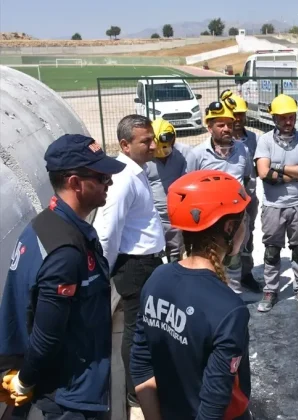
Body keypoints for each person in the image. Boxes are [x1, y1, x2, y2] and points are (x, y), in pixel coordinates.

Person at [0, 134, 125, 419]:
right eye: (102, 177)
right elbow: (46, 335)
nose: (110, 182)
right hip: (71, 398)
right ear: (75, 183)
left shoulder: (44, 225)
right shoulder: (65, 251)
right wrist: (24, 381)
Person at [130, 169, 252, 420]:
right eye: (244, 221)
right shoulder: (230, 309)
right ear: (230, 227)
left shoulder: (157, 278)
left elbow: (141, 364)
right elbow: (214, 403)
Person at [93, 115, 166, 409]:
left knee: (144, 327)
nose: (152, 145)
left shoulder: (138, 171)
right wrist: (104, 273)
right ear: (125, 145)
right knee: (136, 330)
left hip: (146, 262)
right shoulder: (123, 180)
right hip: (135, 266)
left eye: (152, 138)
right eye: (145, 141)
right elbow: (108, 233)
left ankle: (144, 383)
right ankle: (137, 393)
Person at [187, 98, 262, 294]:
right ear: (209, 127)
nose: (227, 129)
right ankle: (210, 293)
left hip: (237, 218)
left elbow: (247, 179)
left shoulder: (242, 150)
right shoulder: (197, 154)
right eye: (221, 125)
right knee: (209, 259)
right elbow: (190, 187)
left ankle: (234, 294)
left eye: (229, 124)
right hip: (209, 221)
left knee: (235, 257)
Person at [253, 94, 298, 312]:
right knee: (272, 250)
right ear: (274, 119)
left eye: (291, 117)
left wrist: (278, 168)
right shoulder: (265, 140)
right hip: (273, 205)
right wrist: (294, 171)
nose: (288, 122)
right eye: (283, 118)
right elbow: (263, 173)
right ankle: (271, 290)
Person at [223, 90, 261, 289]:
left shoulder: (253, 139)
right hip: (224, 201)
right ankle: (224, 278)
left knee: (248, 235)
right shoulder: (219, 140)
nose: (238, 119)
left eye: (241, 114)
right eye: (234, 114)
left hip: (249, 198)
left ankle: (246, 273)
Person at [144, 118, 190, 262]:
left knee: (175, 251)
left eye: (165, 147)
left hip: (174, 217)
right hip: (151, 217)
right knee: (151, 253)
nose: (162, 152)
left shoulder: (184, 154)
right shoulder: (144, 160)